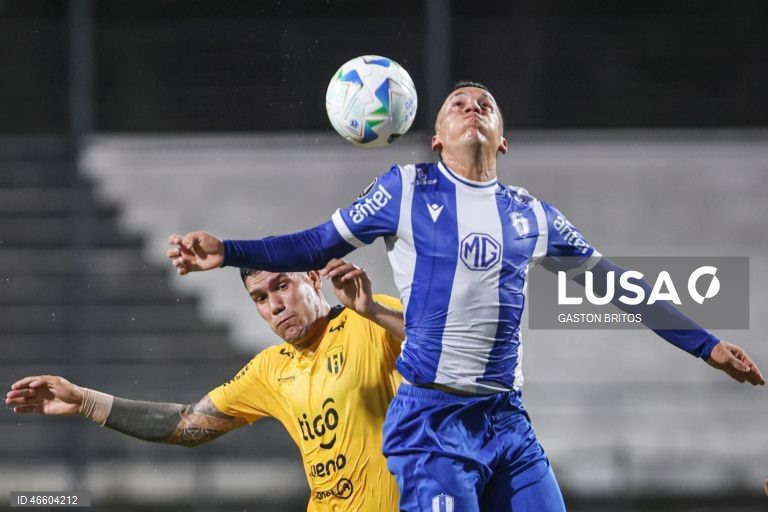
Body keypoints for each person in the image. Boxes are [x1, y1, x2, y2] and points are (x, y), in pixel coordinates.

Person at [164, 81, 765, 511]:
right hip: (431, 424)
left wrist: (706, 346)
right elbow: (318, 241)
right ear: (435, 138)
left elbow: (618, 286)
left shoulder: (533, 215)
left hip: (507, 420)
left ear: (502, 140)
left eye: (486, 105)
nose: (472, 107)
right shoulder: (404, 189)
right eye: (458, 104)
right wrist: (230, 251)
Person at [6, 259, 404, 512]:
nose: (275, 306)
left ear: (314, 278)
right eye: (260, 298)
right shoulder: (269, 369)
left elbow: (455, 351)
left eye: (283, 286)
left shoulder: (371, 321)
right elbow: (186, 425)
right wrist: (84, 402)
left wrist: (372, 310)